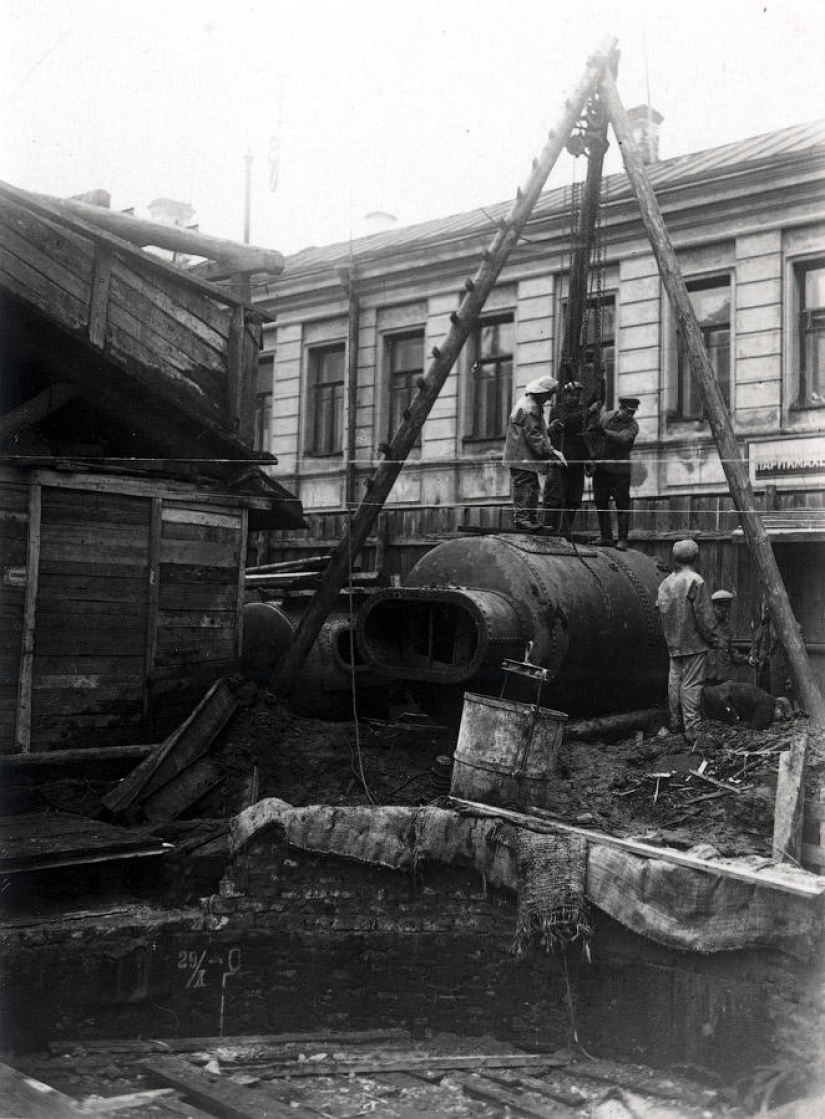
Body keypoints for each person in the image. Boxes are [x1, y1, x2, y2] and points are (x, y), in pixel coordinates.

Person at [655, 539, 718, 742]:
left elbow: (660, 613)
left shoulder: (665, 583)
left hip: (673, 643)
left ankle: (675, 723)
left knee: (674, 683)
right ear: (695, 557)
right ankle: (692, 729)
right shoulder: (695, 581)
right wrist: (713, 638)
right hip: (694, 643)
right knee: (691, 685)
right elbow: (703, 615)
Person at [503, 376, 562, 531]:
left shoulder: (527, 404)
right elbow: (533, 435)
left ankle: (530, 519)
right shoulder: (531, 408)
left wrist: (549, 430)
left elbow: (530, 431)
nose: (549, 398)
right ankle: (523, 519)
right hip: (521, 457)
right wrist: (551, 452)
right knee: (524, 486)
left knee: (532, 486)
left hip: (522, 456)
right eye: (548, 395)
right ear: (541, 393)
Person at [587, 396, 640, 550]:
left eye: (633, 413)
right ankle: (606, 537)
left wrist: (602, 432)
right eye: (628, 412)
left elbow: (623, 439)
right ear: (621, 408)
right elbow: (596, 439)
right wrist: (592, 459)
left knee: (622, 505)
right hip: (602, 470)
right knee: (601, 503)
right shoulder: (607, 417)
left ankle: (623, 539)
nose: (631, 416)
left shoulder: (633, 426)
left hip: (620, 472)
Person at [542, 380, 588, 537]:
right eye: (572, 395)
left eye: (578, 395)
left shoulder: (582, 411)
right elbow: (566, 422)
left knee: (573, 498)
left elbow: (587, 437)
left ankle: (565, 531)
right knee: (554, 497)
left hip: (577, 462)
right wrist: (586, 413)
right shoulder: (558, 410)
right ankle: (549, 530)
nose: (575, 398)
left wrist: (588, 459)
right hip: (560, 462)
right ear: (566, 395)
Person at [702, 681, 793, 730]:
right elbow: (756, 728)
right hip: (717, 699)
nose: (781, 720)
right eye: (782, 716)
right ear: (779, 707)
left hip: (713, 695)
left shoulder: (765, 698)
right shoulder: (768, 704)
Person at [705, 589, 749, 685]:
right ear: (712, 607)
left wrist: (747, 659)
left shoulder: (727, 629)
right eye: (719, 606)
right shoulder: (704, 627)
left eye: (727, 607)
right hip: (706, 678)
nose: (723, 610)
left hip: (723, 678)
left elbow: (732, 652)